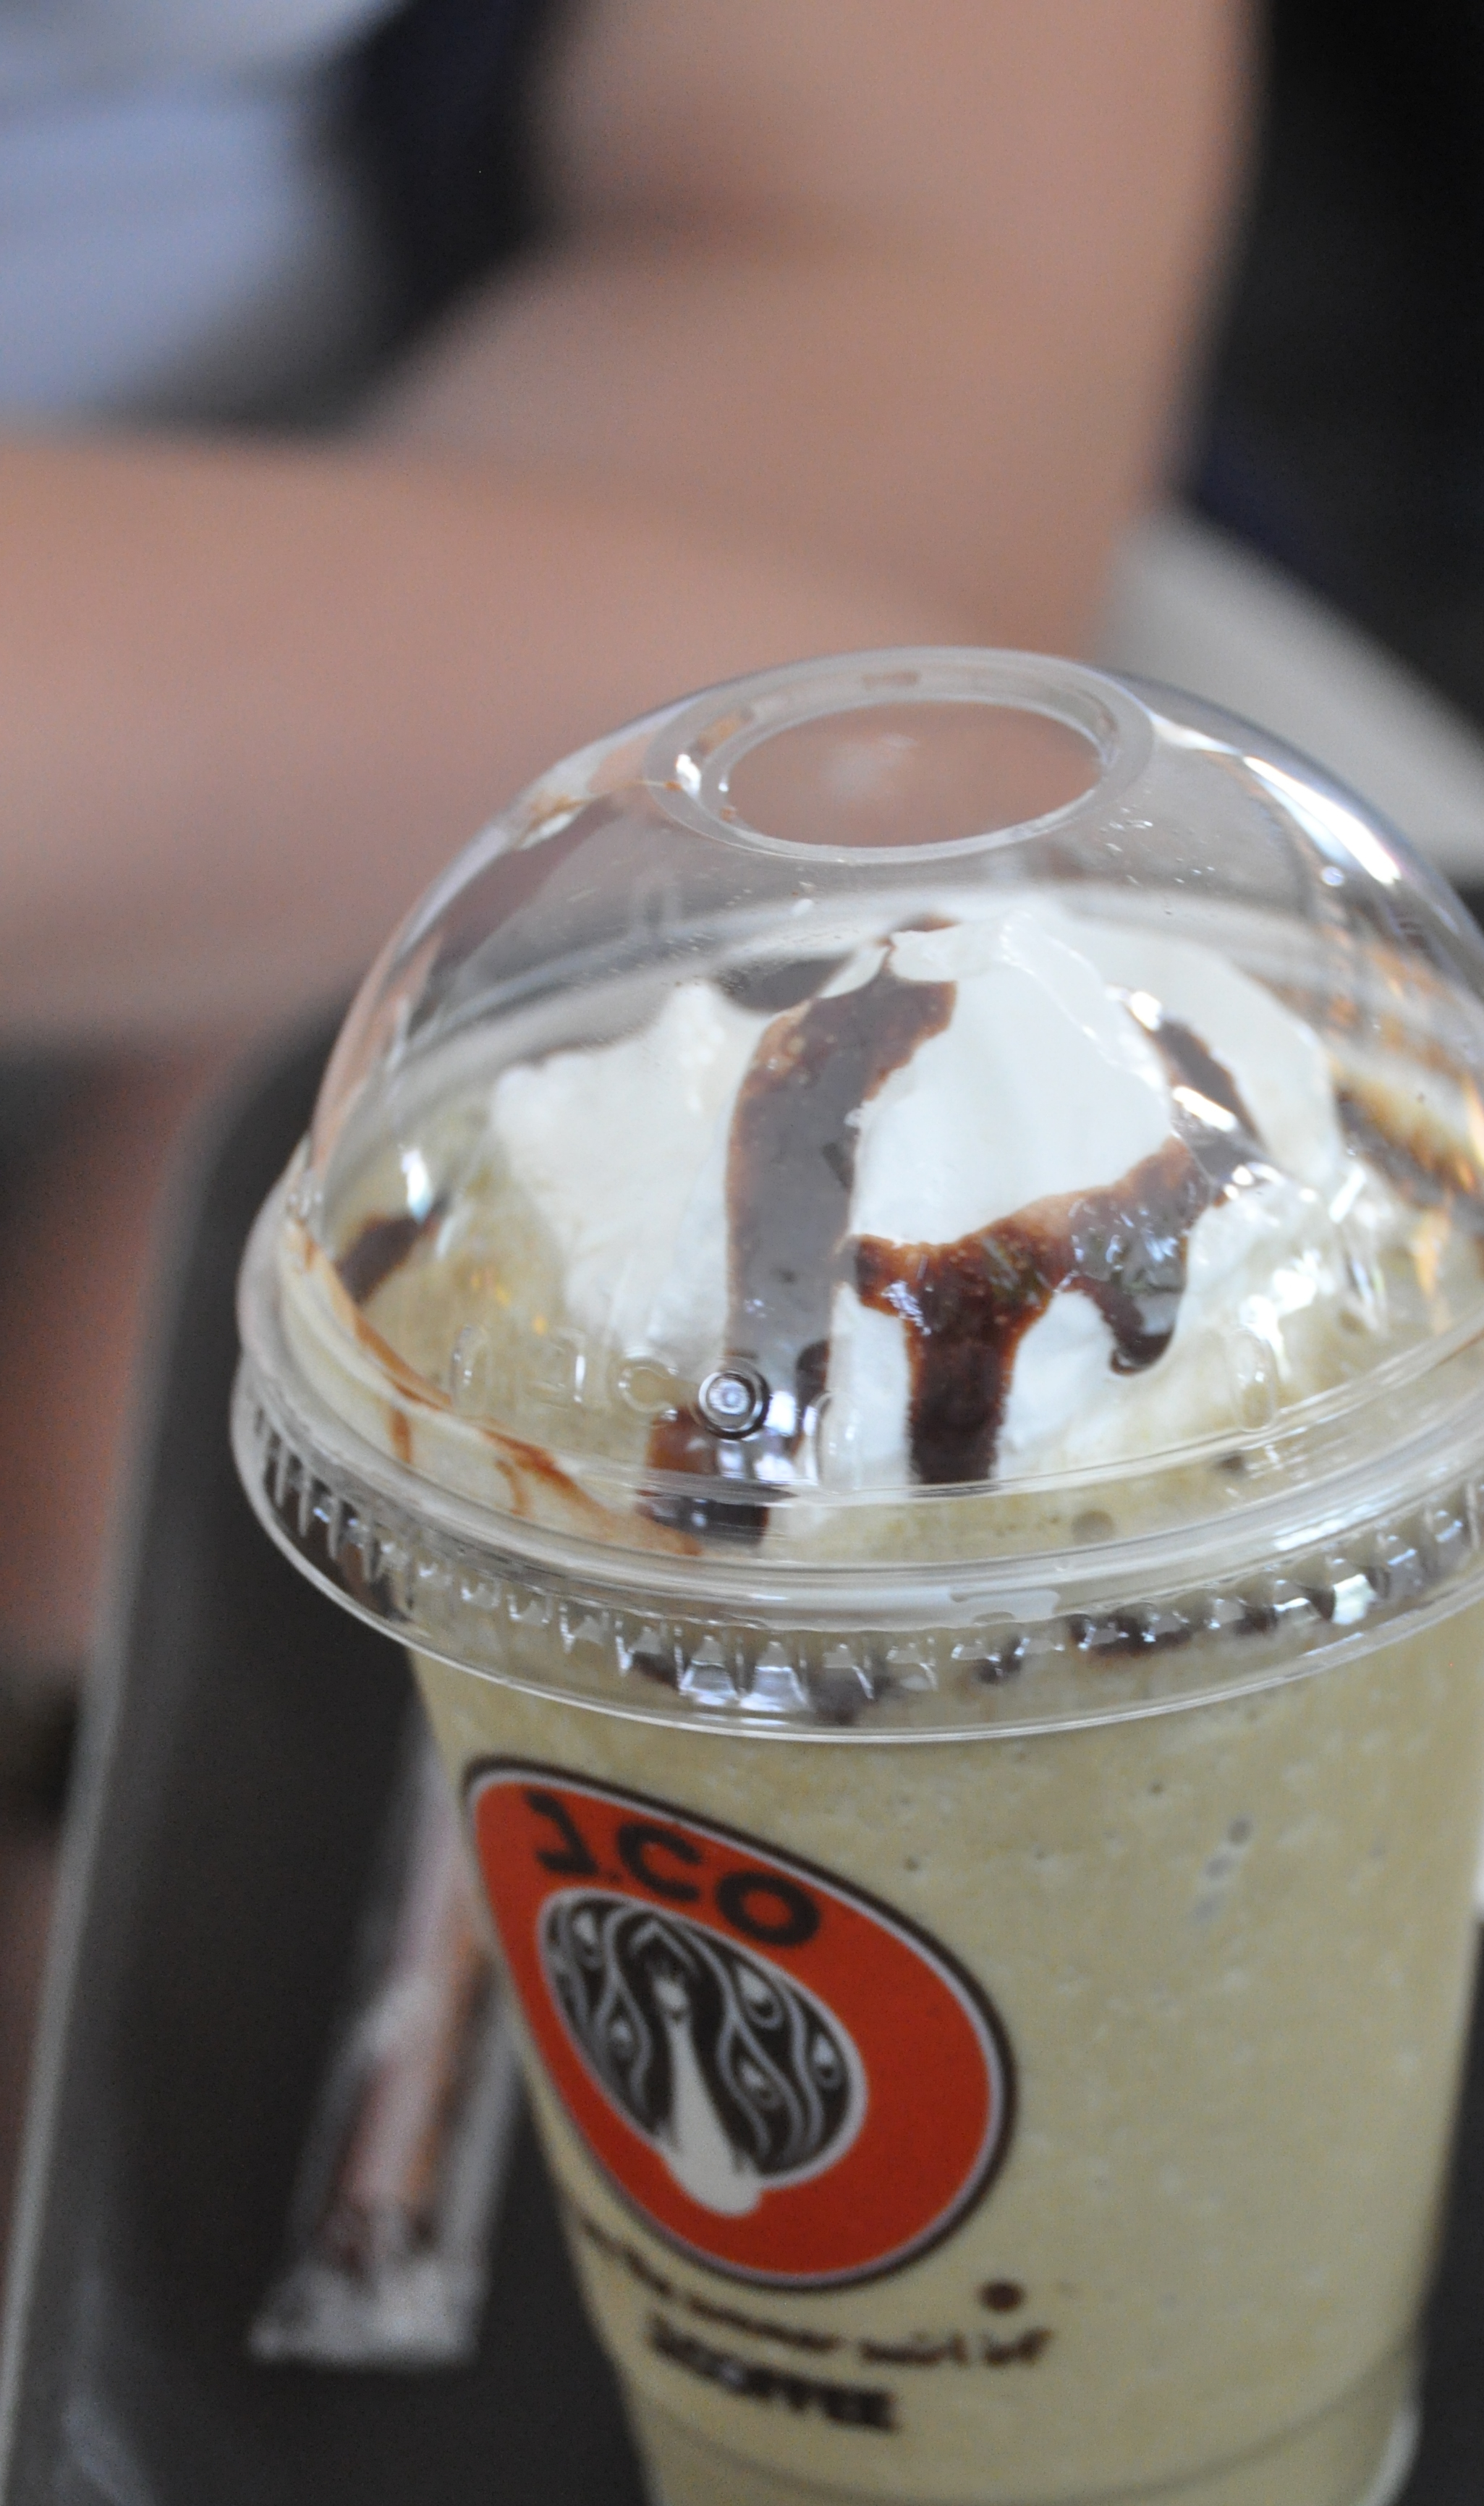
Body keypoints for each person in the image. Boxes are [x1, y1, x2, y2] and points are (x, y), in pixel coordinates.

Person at [0, 0, 1248, 1698]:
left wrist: (273, 1166)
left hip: (526, 591)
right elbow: (841, 747)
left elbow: (891, 264)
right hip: (505, 694)